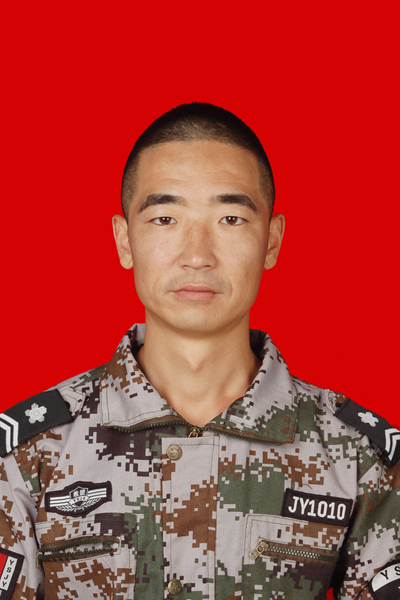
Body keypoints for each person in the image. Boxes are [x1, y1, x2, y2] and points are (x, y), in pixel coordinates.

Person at [0, 103, 399, 600]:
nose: (196, 255)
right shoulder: (29, 453)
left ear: (271, 241)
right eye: (164, 218)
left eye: (230, 218)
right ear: (124, 240)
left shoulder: (358, 455)